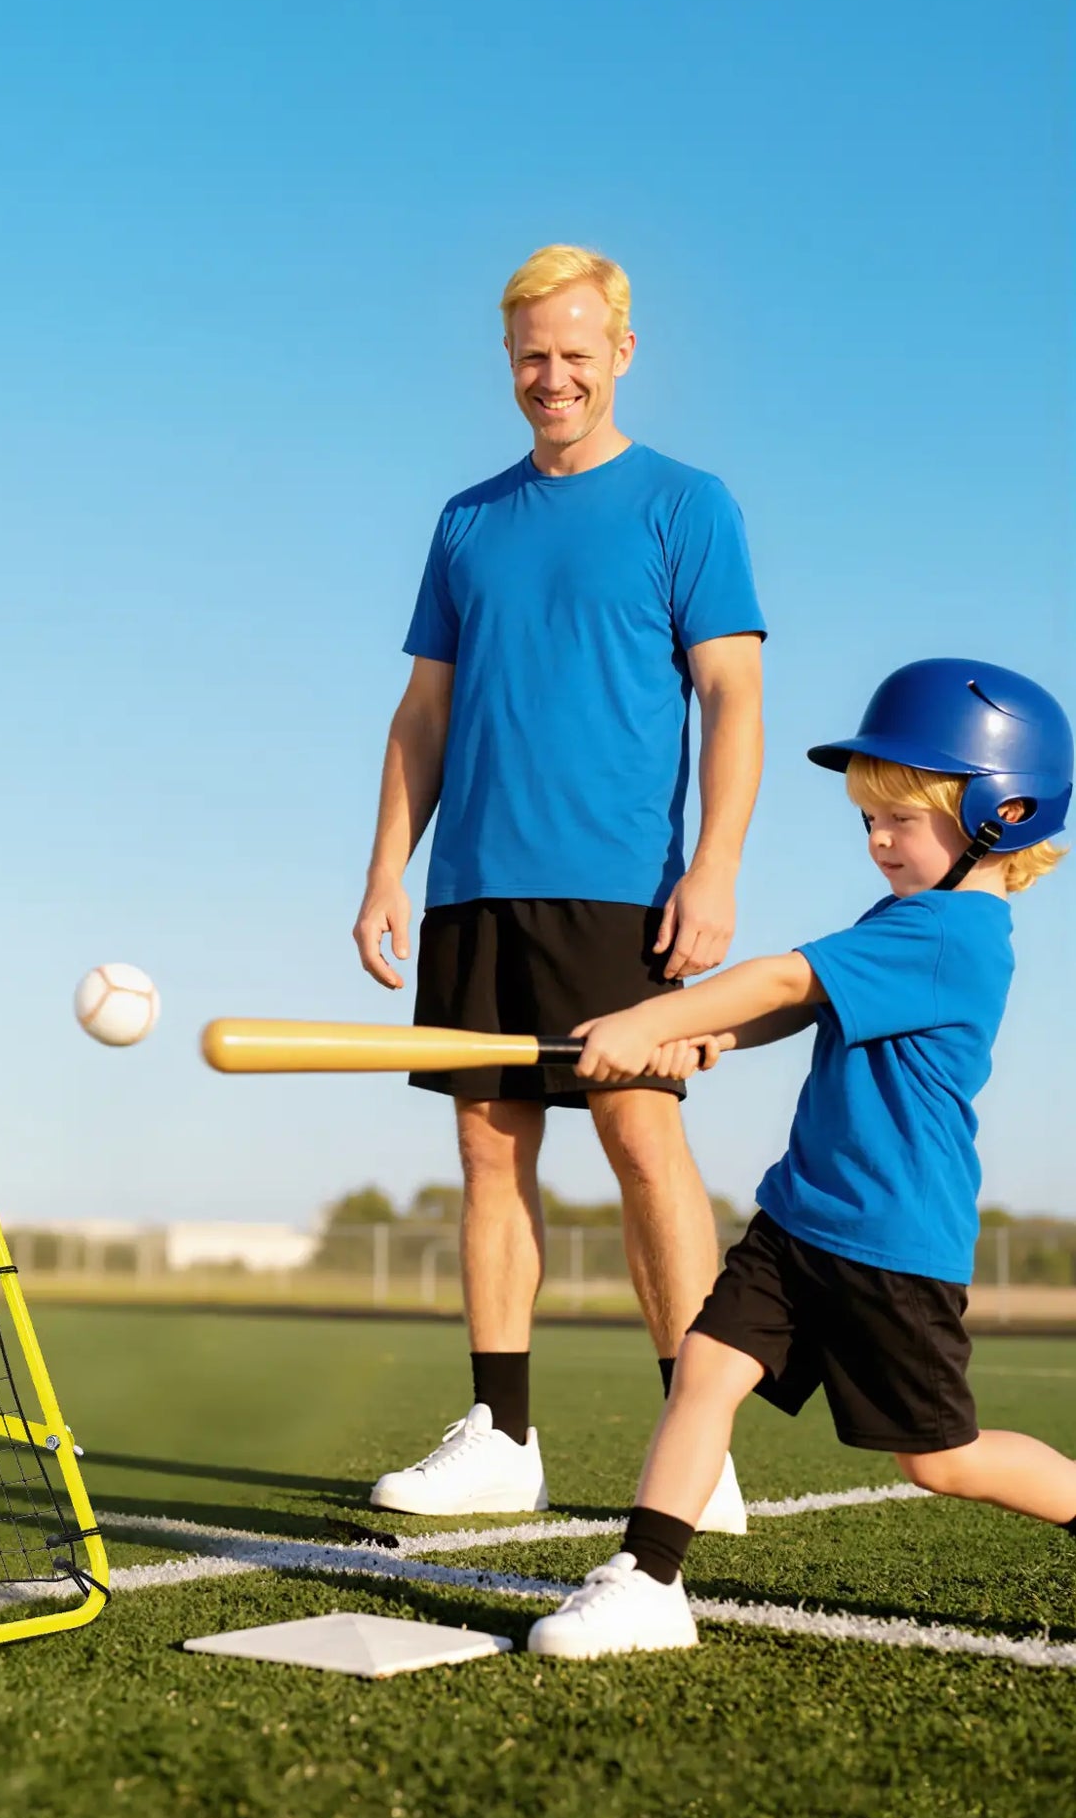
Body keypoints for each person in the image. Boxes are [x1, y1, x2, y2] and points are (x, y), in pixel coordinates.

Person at [528, 659, 1075, 1658]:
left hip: (889, 1245)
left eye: (896, 817)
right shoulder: (905, 922)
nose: (874, 839)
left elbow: (783, 972)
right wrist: (707, 1039)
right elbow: (799, 1002)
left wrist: (654, 1012)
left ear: (1000, 811)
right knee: (702, 1366)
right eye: (866, 817)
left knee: (938, 1459)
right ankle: (646, 1578)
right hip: (798, 1218)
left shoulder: (952, 932)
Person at [355, 245, 765, 1522]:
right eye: (531, 354)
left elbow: (732, 696)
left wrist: (712, 866)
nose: (552, 376)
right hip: (476, 885)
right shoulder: (465, 519)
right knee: (488, 1151)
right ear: (507, 359)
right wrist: (385, 869)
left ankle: (696, 1449)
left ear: (621, 352)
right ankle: (501, 1434)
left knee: (646, 1143)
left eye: (575, 352)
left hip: (620, 890)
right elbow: (421, 711)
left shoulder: (684, 504)